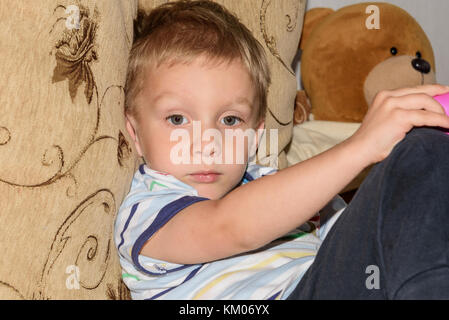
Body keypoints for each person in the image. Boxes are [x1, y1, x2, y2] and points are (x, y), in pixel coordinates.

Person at [114, 0, 449, 300]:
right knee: (419, 152)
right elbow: (229, 226)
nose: (208, 143)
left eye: (230, 120)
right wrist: (359, 147)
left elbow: (369, 244)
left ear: (256, 135)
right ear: (135, 132)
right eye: (177, 118)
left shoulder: (284, 188)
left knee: (423, 150)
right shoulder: (146, 212)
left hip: (329, 281)